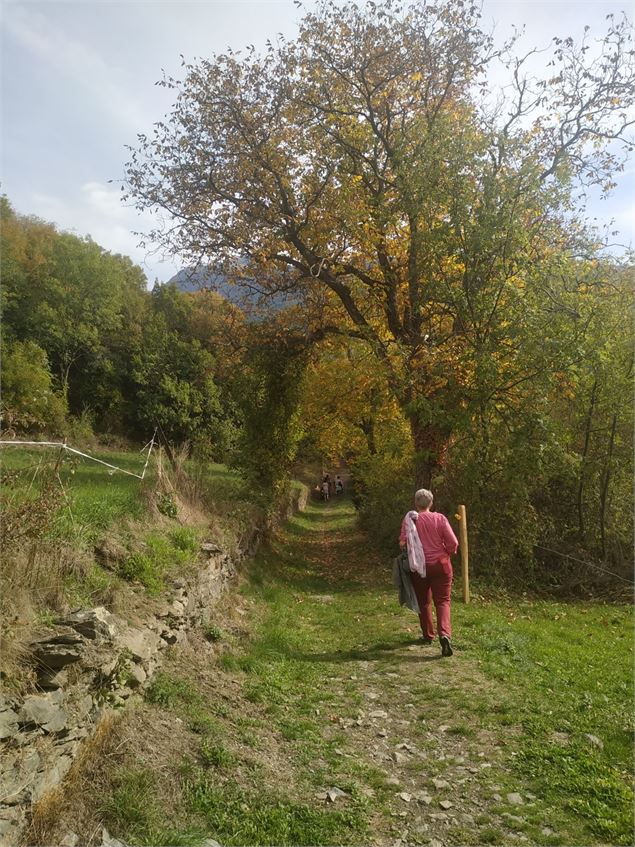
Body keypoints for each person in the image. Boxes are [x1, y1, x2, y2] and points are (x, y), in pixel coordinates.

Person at [399, 488, 458, 657]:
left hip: (419, 567)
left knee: (424, 601)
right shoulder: (440, 519)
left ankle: (428, 635)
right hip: (441, 565)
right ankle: (445, 634)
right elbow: (453, 542)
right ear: (431, 503)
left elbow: (402, 543)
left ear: (416, 503)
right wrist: (447, 553)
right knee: (443, 601)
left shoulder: (410, 520)